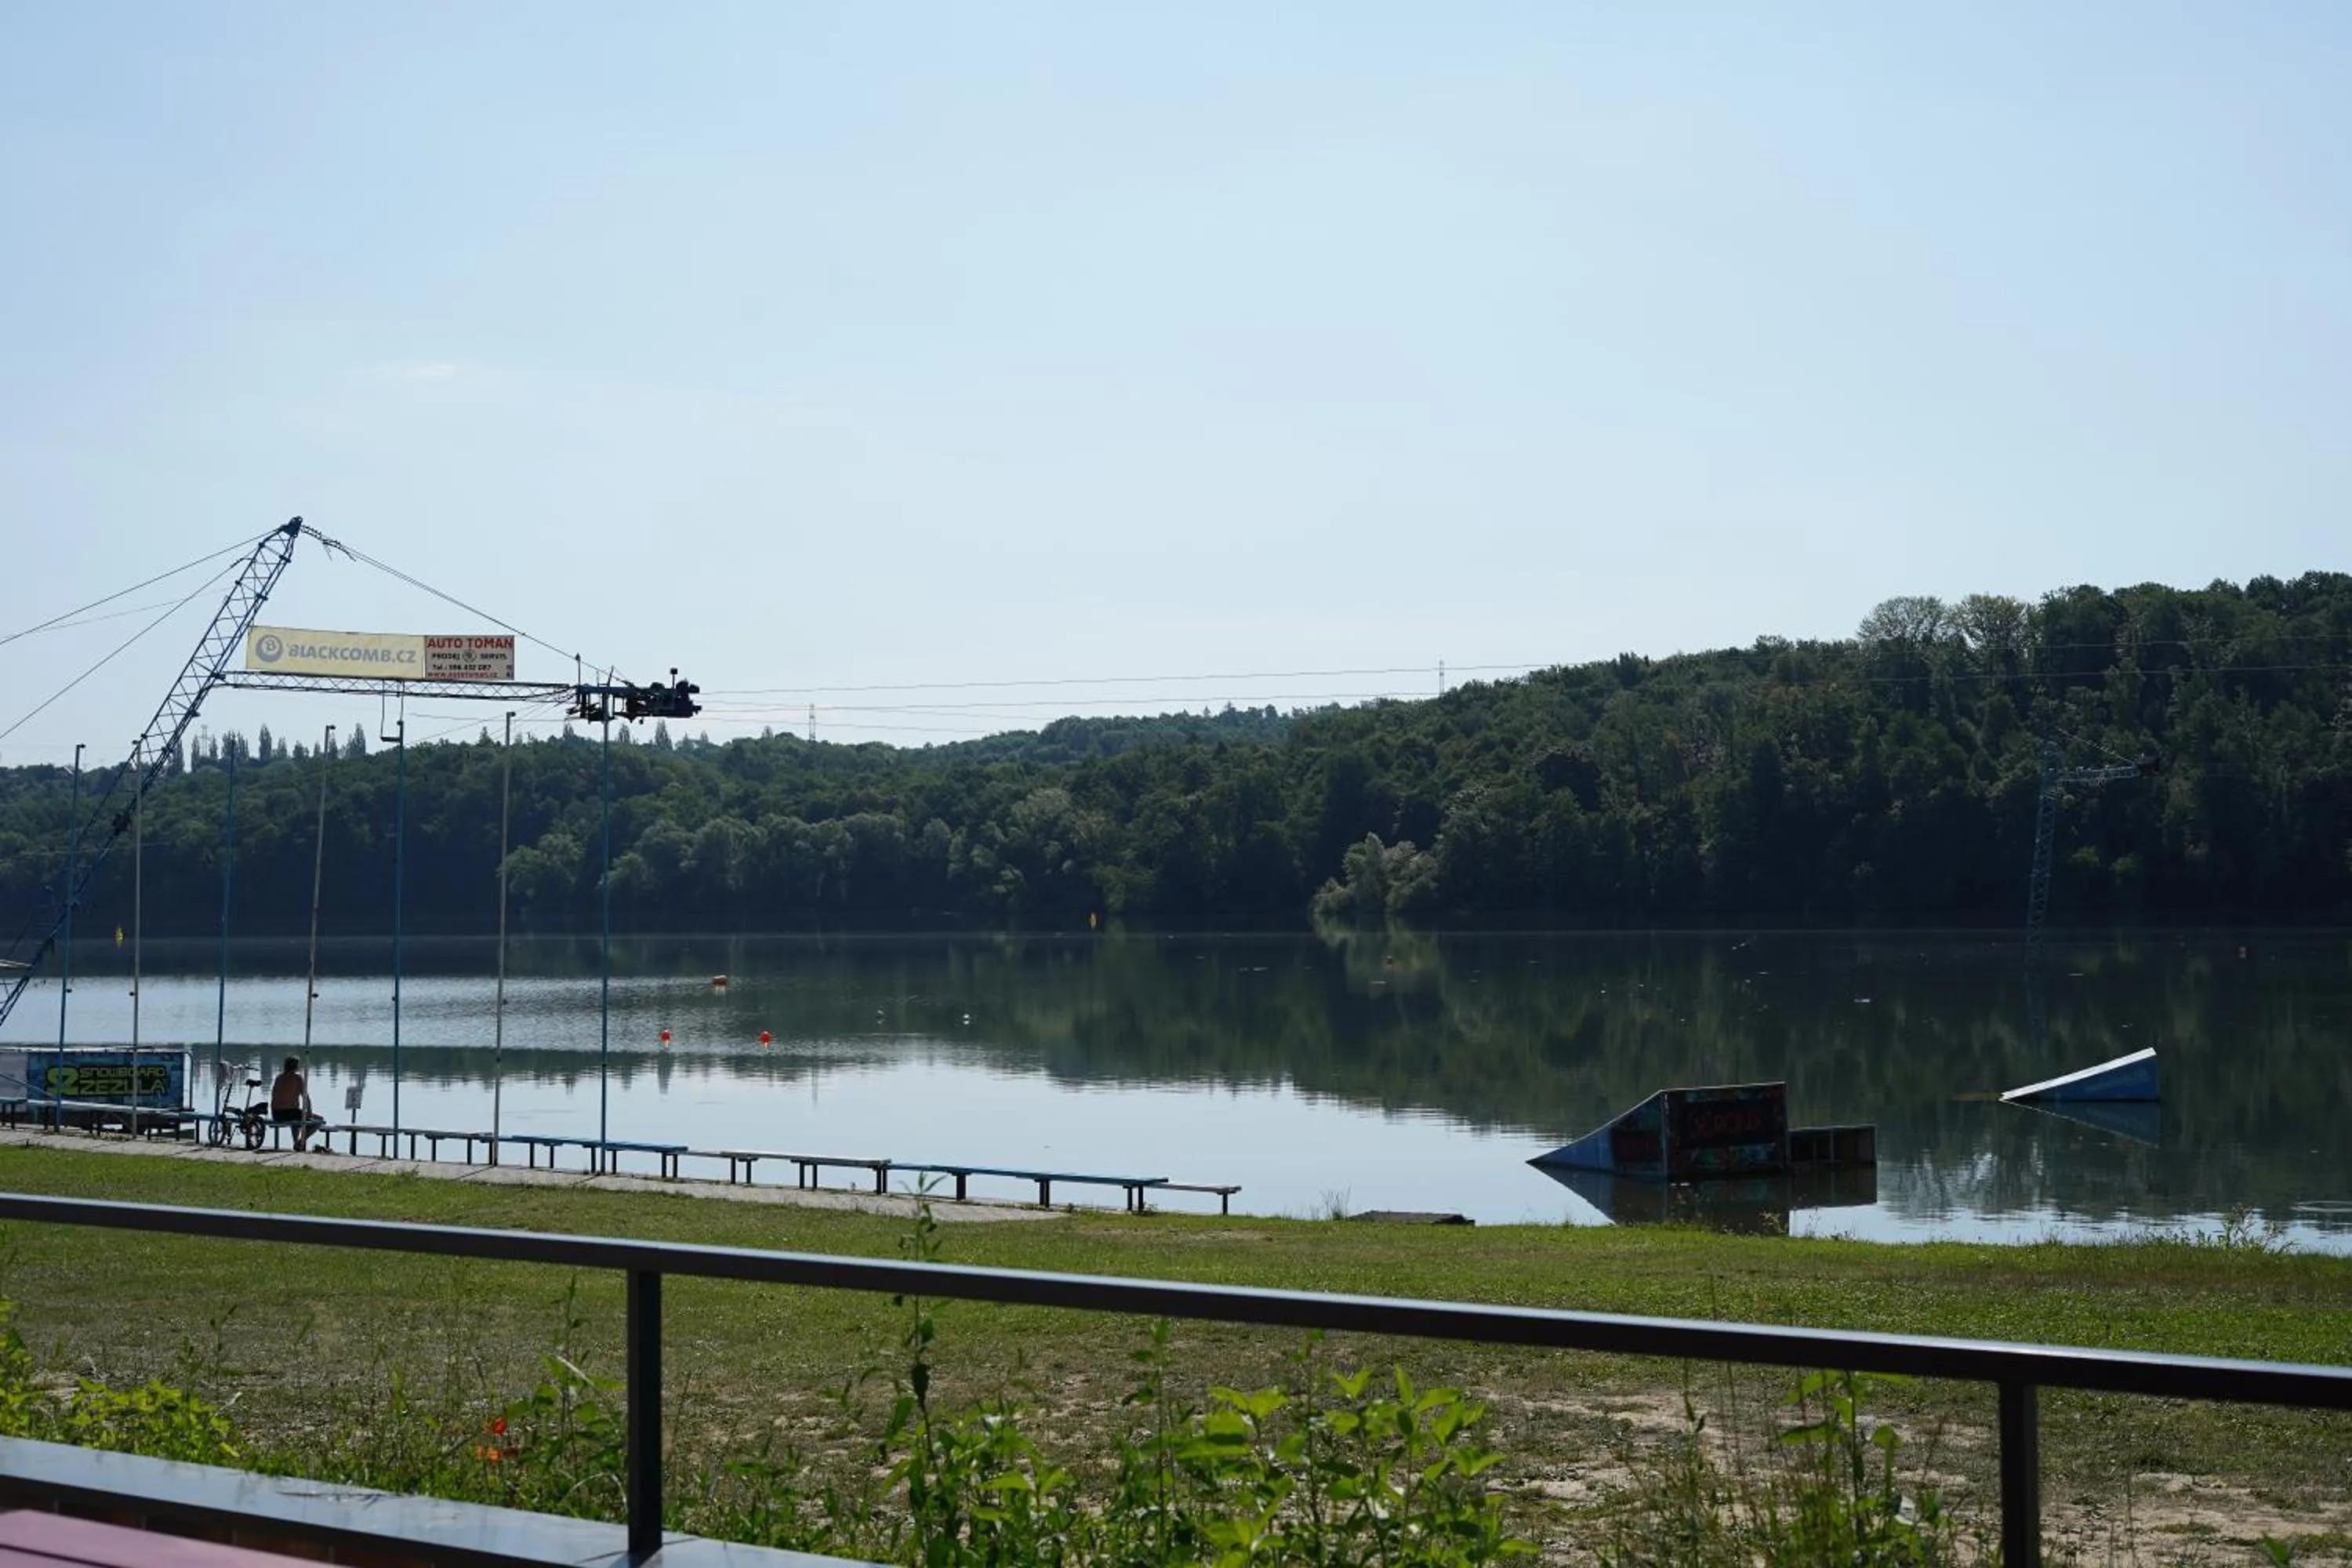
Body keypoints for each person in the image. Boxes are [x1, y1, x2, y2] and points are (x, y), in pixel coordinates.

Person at [270, 1055, 316, 1152]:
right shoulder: (297, 1078)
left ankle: (297, 1144)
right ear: (296, 1066)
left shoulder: (279, 1077)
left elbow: (273, 1095)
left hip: (276, 1114)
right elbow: (305, 1097)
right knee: (318, 1121)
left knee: (297, 1117)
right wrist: (310, 1111)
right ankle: (299, 1142)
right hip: (289, 1112)